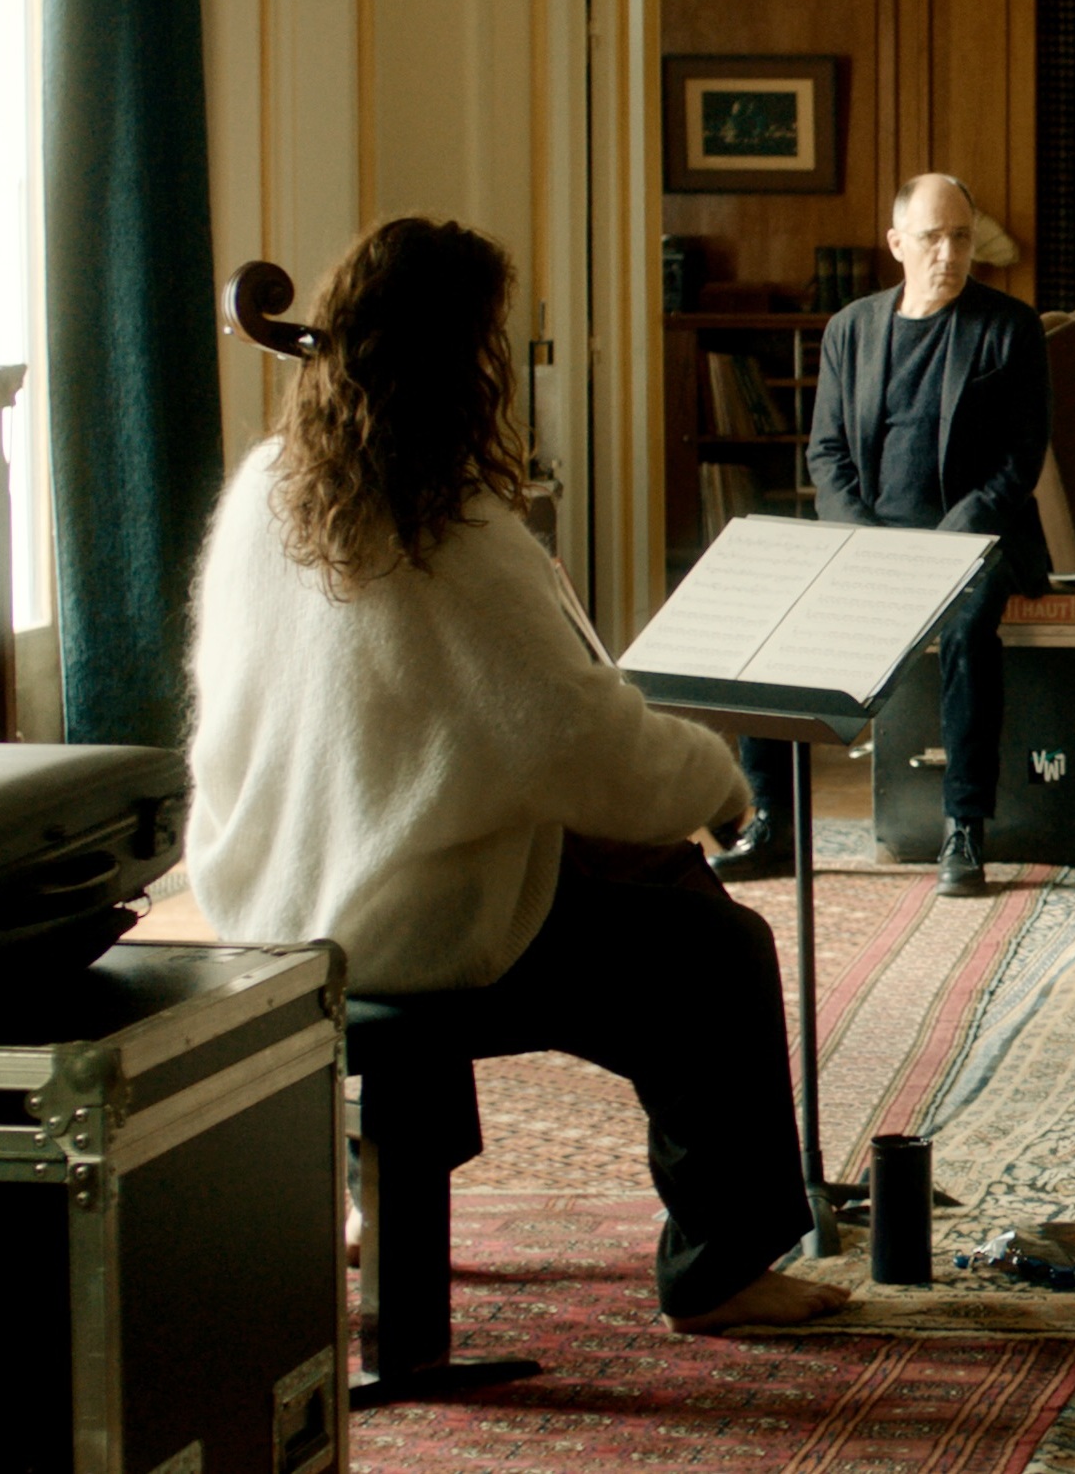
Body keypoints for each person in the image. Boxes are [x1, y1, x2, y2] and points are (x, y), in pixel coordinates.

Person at [187, 216, 847, 1335]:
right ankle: (722, 1265)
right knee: (716, 953)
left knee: (447, 856)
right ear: (463, 363)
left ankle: (372, 1191)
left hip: (266, 891)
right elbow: (578, 746)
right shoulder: (456, 528)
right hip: (402, 925)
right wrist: (716, 783)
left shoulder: (264, 489)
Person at [715, 173, 1052, 896]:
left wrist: (943, 549)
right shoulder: (851, 329)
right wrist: (867, 545)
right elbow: (826, 454)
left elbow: (1017, 463)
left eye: (962, 236)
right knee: (767, 603)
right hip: (868, 540)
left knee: (967, 628)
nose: (950, 252)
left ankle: (963, 825)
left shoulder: (1009, 326)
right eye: (933, 237)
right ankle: (773, 819)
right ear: (898, 244)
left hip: (977, 540)